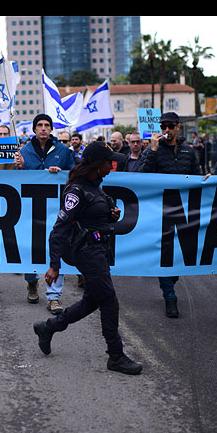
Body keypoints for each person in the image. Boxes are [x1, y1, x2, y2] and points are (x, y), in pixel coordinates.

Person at [32, 141, 142, 375]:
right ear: (96, 165)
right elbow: (59, 229)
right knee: (109, 300)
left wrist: (111, 215)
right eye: (108, 161)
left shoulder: (97, 186)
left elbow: (95, 218)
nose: (112, 164)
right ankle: (116, 356)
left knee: (92, 301)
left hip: (100, 251)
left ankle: (48, 328)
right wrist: (54, 265)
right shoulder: (76, 191)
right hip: (87, 252)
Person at [139, 111, 200, 318]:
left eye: (170, 126)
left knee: (181, 254)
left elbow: (197, 178)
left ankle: (170, 280)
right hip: (159, 211)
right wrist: (153, 150)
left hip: (183, 210)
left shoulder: (188, 151)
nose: (166, 130)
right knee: (163, 256)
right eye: (163, 126)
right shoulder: (151, 150)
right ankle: (170, 297)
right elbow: (141, 178)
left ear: (178, 127)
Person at [14, 113, 75, 314]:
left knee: (56, 249)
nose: (43, 128)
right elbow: (15, 181)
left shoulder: (63, 150)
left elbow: (74, 176)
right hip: (30, 208)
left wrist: (62, 174)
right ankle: (32, 281)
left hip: (56, 211)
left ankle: (54, 296)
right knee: (30, 248)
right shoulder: (24, 151)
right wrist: (20, 168)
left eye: (46, 125)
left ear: (51, 129)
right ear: (34, 129)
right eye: (39, 125)